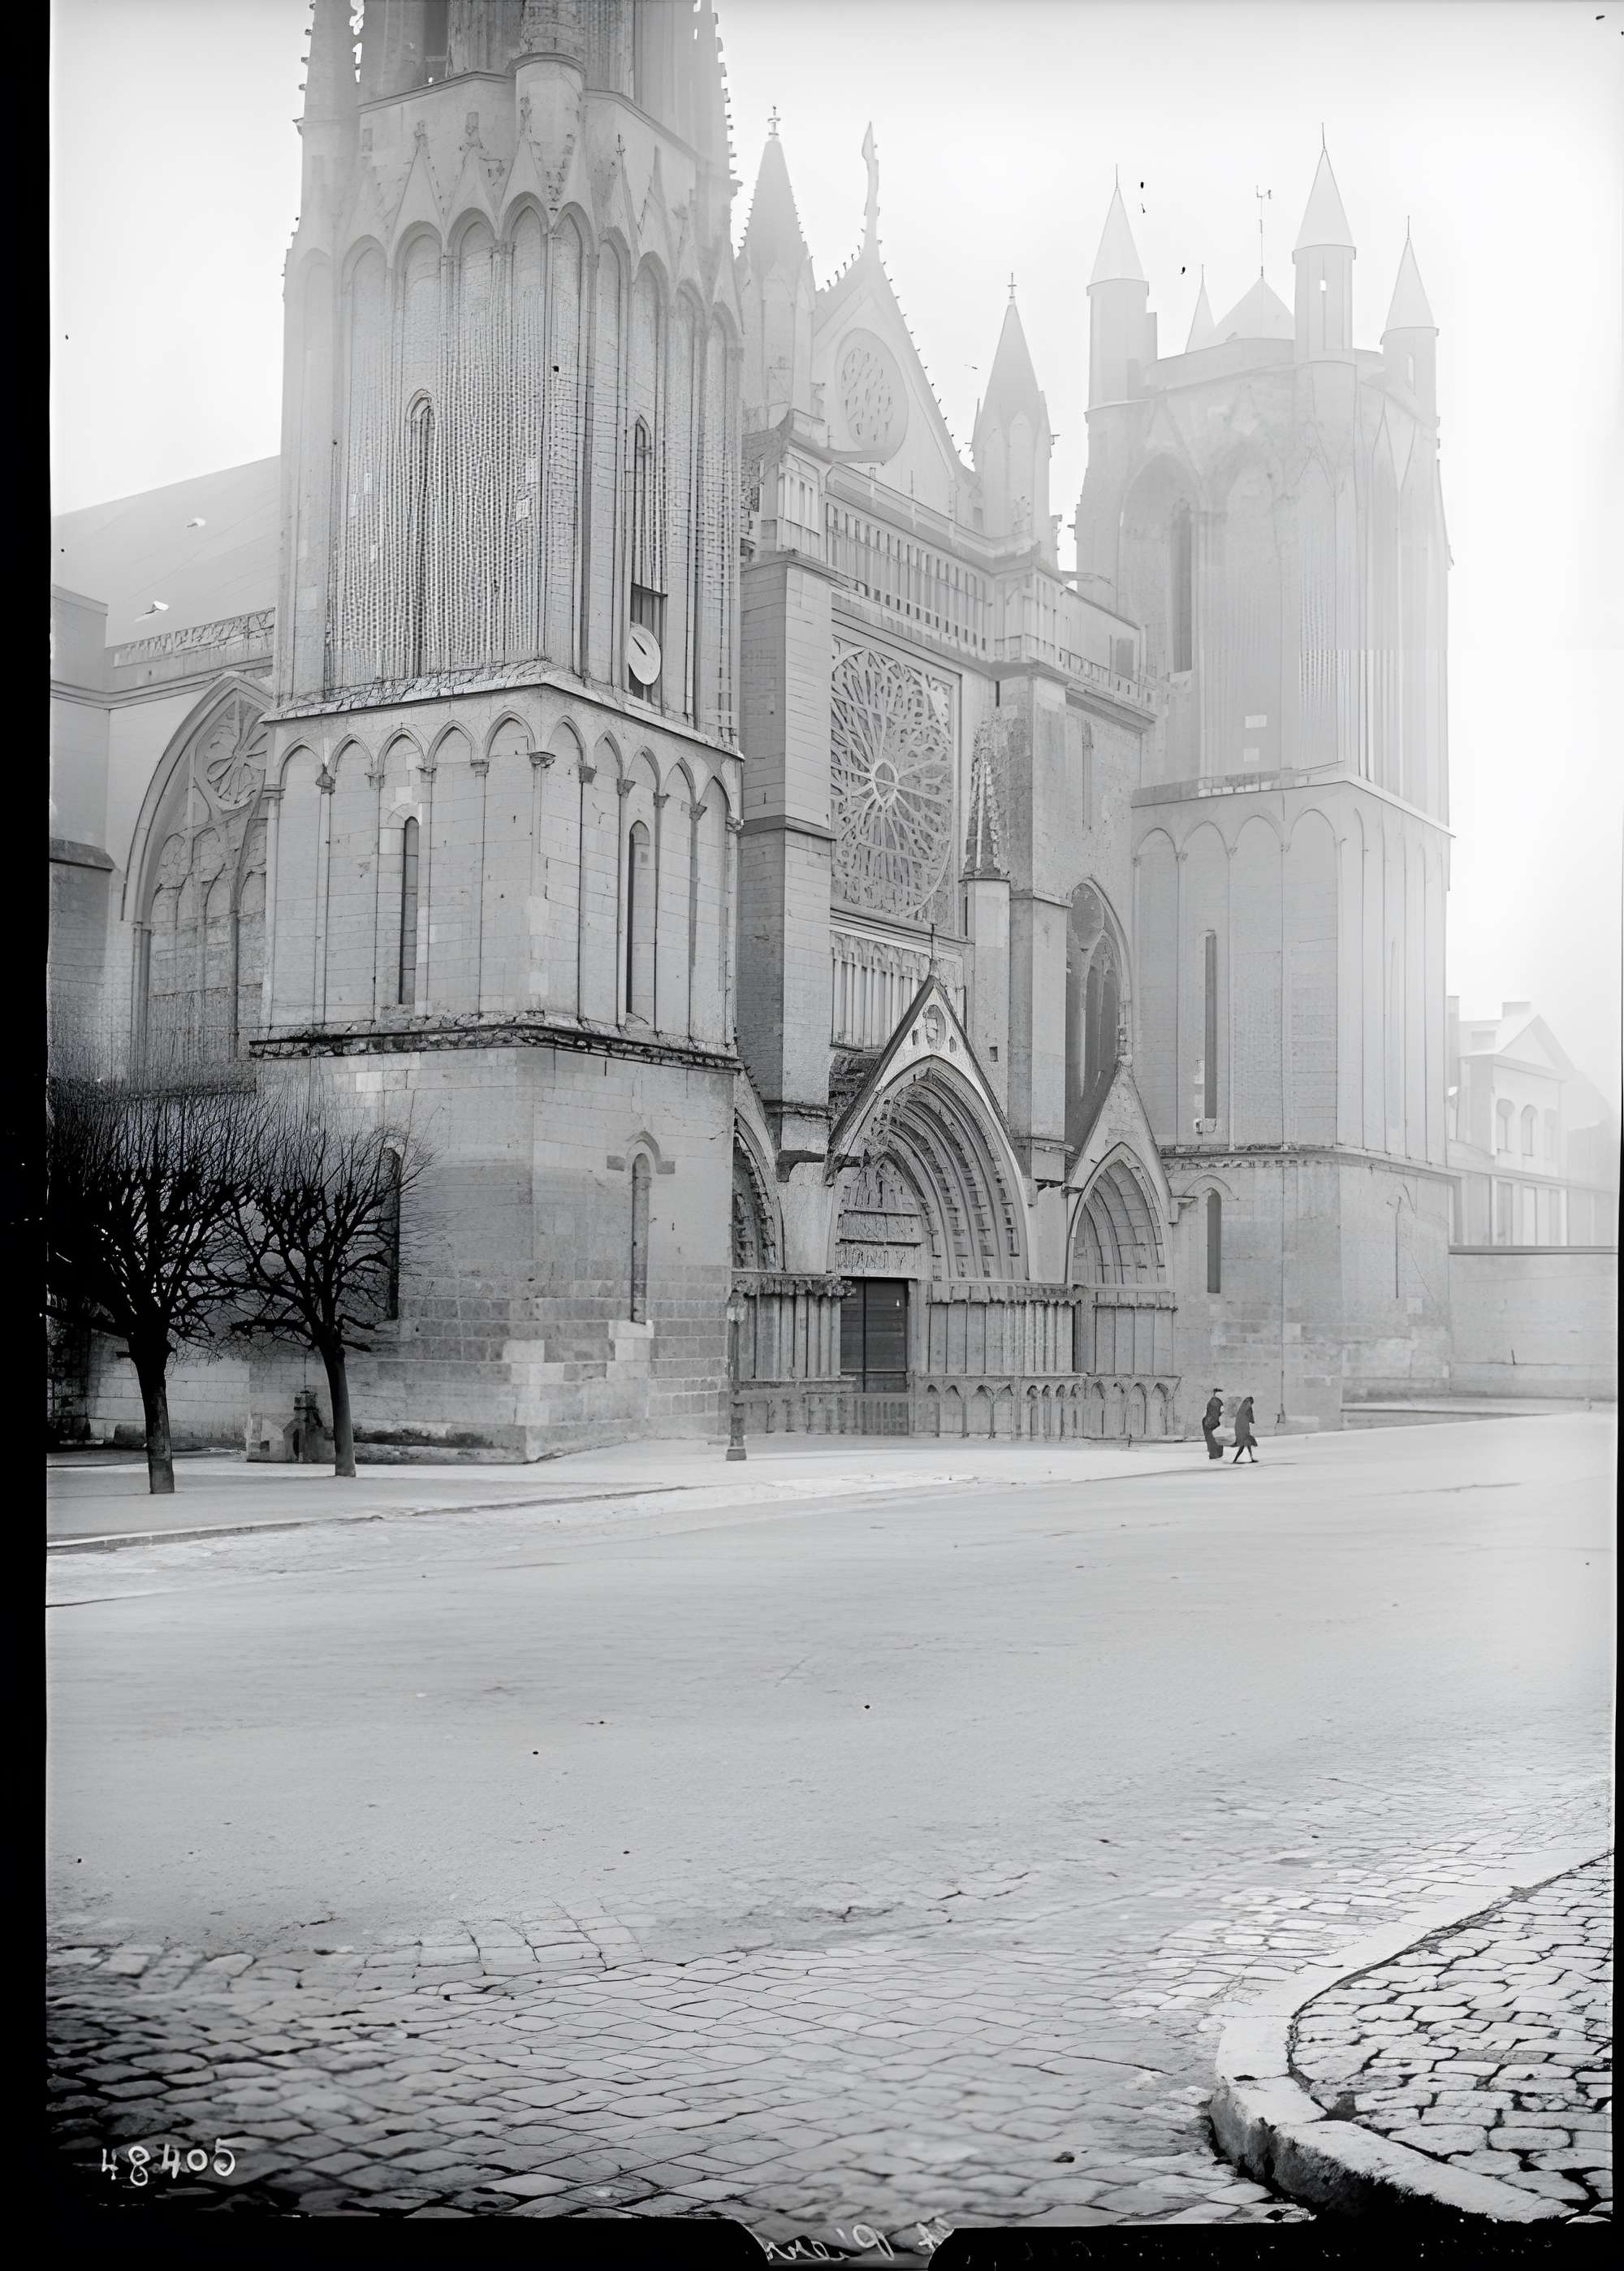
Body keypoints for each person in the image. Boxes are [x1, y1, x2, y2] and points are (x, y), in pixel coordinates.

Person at [1232, 1395, 1259, 1464]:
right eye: (1252, 1402)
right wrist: (1252, 1420)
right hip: (1244, 1430)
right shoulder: (1248, 1406)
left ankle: (1251, 1458)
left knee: (1246, 1445)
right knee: (1244, 1445)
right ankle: (1235, 1460)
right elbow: (1250, 1415)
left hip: (1240, 1428)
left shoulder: (1243, 1407)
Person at [1202, 1388, 1224, 1460]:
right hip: (1212, 1423)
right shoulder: (1218, 1402)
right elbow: (1219, 1413)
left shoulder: (1212, 1401)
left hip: (1208, 1422)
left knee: (1210, 1439)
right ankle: (1216, 1455)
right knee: (1215, 1439)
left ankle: (1213, 1455)